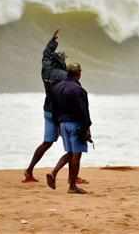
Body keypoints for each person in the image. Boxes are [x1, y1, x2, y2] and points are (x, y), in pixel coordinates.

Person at [23, 29, 69, 182]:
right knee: (73, 144)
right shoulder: (65, 76)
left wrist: (53, 41)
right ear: (61, 63)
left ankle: (29, 171)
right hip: (61, 114)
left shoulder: (46, 71)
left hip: (48, 111)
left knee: (47, 142)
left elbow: (46, 55)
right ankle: (73, 176)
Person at [47, 63, 93, 194]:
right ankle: (72, 186)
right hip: (75, 124)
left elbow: (53, 109)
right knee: (76, 156)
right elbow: (84, 112)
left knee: (70, 153)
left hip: (62, 124)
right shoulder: (79, 90)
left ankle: (53, 172)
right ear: (79, 73)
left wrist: (57, 125)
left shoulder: (56, 87)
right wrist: (87, 129)